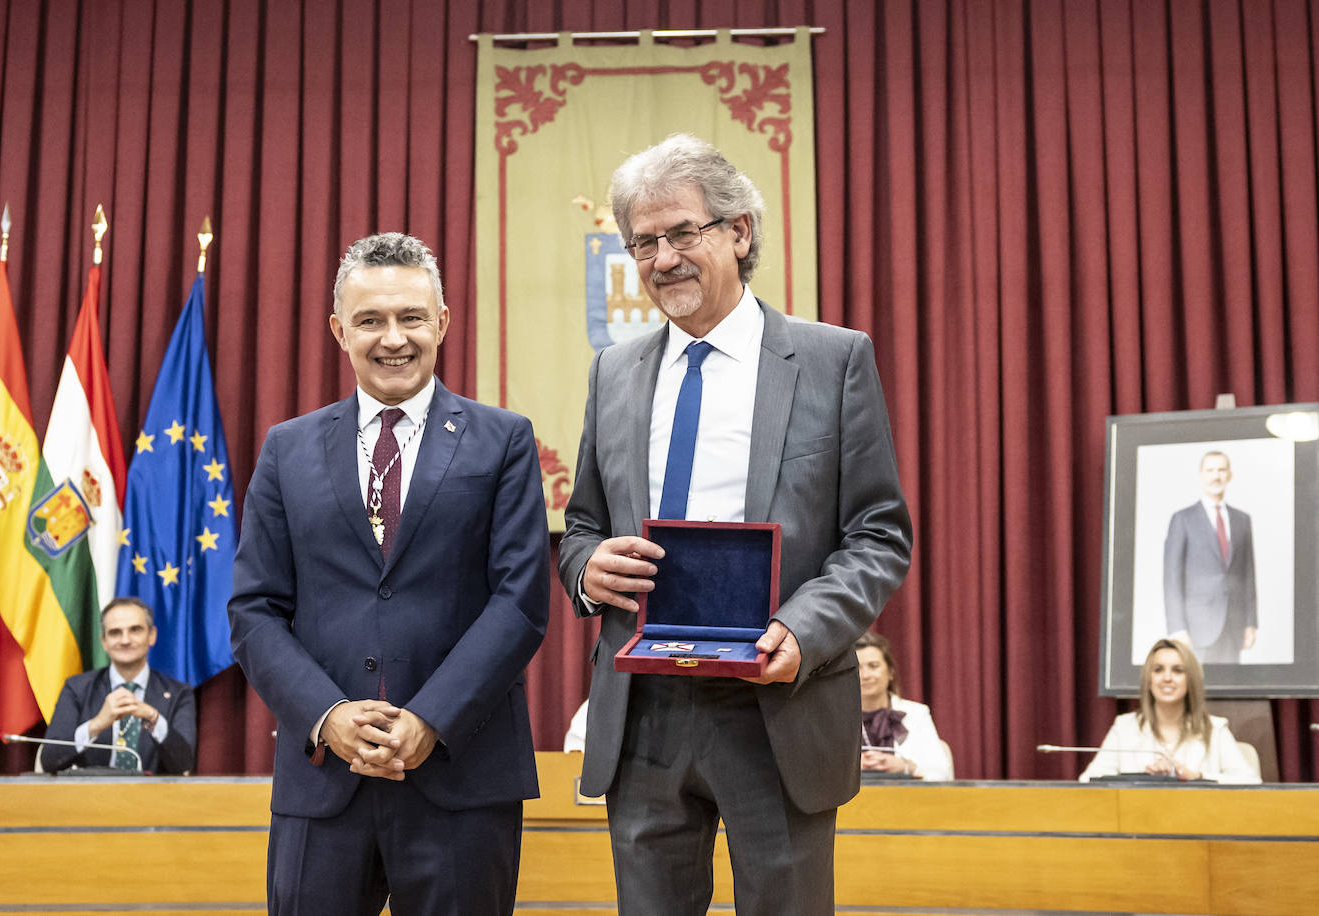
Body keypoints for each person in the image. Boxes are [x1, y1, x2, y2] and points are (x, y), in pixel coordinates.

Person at [557, 134, 912, 916]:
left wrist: (805, 628)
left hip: (777, 704)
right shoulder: (613, 372)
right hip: (645, 711)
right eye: (643, 242)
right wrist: (585, 568)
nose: (662, 259)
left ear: (739, 231)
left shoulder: (832, 360)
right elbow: (580, 523)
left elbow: (881, 533)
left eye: (683, 233)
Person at [228, 233, 549, 915]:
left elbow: (519, 602)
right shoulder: (287, 449)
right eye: (371, 320)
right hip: (323, 780)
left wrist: (431, 719)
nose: (393, 338)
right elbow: (254, 608)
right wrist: (328, 715)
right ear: (340, 330)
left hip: (462, 777)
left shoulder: (505, 441)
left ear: (443, 322)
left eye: (410, 317)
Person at [40, 597, 196, 774]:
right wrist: (96, 725)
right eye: (115, 632)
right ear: (104, 641)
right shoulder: (77, 688)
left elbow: (184, 763)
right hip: (90, 797)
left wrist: (154, 718)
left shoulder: (179, 693)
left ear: (152, 636)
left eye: (135, 630)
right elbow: (50, 760)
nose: (125, 640)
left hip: (154, 798)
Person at [1079, 638, 1260, 783]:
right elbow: (1087, 781)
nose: (1167, 678)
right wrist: (1140, 780)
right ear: (1149, 680)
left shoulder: (1215, 729)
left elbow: (1250, 783)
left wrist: (1196, 777)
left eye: (1177, 670)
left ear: (1190, 680)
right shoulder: (1125, 727)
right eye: (1158, 670)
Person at [1163, 450, 1257, 663]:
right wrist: (1177, 627)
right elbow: (1172, 577)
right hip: (1197, 629)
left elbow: (1248, 574)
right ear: (1201, 475)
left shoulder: (1242, 520)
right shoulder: (1182, 519)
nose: (1216, 476)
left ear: (1229, 475)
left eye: (1222, 470)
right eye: (1210, 470)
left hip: (1234, 626)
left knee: (1231, 690)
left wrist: (1250, 623)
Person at [855, 632, 952, 781]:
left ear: (891, 672)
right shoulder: (834, 718)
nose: (865, 675)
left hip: (909, 801)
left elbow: (941, 774)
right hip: (854, 804)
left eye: (873, 666)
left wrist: (905, 767)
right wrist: (849, 770)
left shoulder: (917, 714)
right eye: (857, 668)